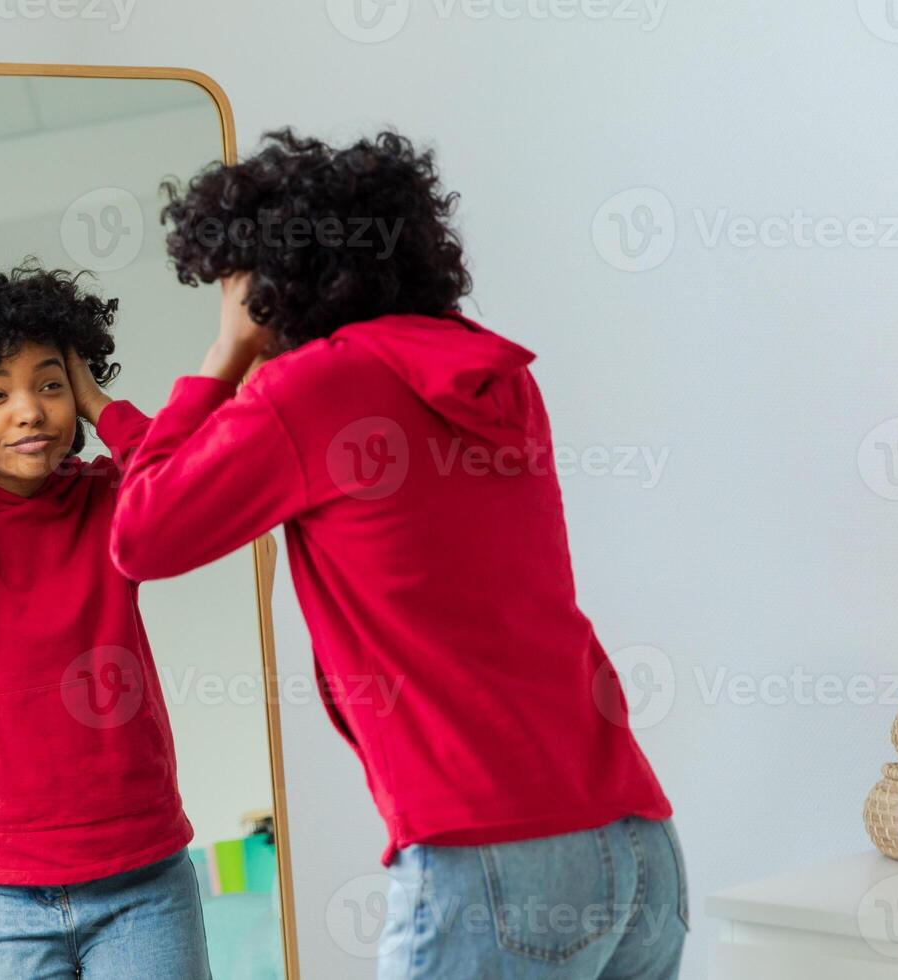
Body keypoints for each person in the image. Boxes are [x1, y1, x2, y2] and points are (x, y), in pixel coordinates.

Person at [108, 129, 689, 978]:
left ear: (268, 286)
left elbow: (142, 535)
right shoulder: (493, 375)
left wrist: (224, 355)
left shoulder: (312, 391)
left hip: (488, 858)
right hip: (635, 846)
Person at [0, 263, 211, 979]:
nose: (29, 409)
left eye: (50, 385)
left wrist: (98, 400)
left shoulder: (108, 495)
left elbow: (194, 488)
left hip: (141, 877)